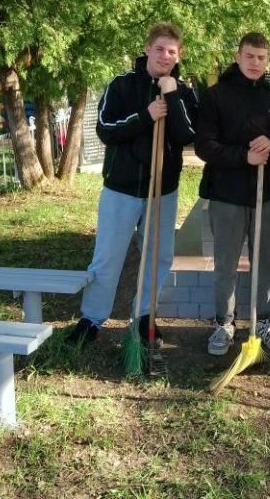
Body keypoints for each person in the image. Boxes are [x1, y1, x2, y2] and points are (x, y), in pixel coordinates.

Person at [68, 23, 199, 347]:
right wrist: (146, 115)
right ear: (147, 49)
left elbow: (187, 135)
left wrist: (170, 93)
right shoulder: (122, 85)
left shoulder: (184, 91)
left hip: (162, 191)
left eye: (172, 51)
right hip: (122, 189)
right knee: (107, 257)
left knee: (158, 256)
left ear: (179, 54)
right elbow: (105, 129)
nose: (165, 55)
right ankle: (91, 319)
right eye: (160, 49)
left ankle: (144, 317)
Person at [195, 32, 270, 356]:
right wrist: (243, 157)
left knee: (266, 262)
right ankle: (224, 323)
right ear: (238, 57)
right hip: (226, 196)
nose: (255, 63)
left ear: (268, 61)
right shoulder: (215, 96)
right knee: (226, 263)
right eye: (250, 56)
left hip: (265, 197)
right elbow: (205, 146)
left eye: (262, 57)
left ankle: (262, 321)